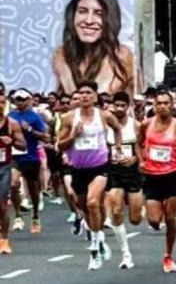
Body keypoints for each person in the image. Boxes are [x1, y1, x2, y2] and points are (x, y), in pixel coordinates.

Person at [57, 81, 124, 271]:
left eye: (88, 93)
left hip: (100, 166)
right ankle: (100, 238)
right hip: (78, 168)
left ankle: (94, 249)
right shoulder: (69, 118)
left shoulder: (104, 116)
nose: (85, 96)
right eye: (81, 93)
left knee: (93, 202)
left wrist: (117, 149)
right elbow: (59, 146)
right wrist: (73, 137)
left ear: (95, 96)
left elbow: (118, 128)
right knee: (82, 205)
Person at [137, 90, 176, 273]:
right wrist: (140, 160)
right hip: (152, 176)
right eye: (159, 103)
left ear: (172, 105)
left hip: (173, 174)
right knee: (154, 221)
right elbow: (138, 144)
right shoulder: (146, 124)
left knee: (170, 218)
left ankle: (168, 255)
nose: (162, 106)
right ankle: (153, 213)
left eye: (166, 103)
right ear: (154, 105)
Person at [52, 0, 135, 96]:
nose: (89, 21)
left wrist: (65, 75)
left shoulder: (121, 56)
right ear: (72, 15)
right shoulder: (63, 54)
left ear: (110, 18)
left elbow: (93, 105)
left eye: (99, 14)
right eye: (82, 11)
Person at [104, 91, 143, 269]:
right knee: (116, 211)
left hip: (133, 173)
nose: (119, 109)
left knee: (135, 219)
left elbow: (143, 150)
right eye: (116, 105)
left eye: (123, 106)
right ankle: (126, 254)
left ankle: (139, 208)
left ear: (128, 107)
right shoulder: (106, 125)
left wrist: (135, 159)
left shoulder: (136, 126)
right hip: (114, 173)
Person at [9, 89, 50, 234]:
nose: (20, 101)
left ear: (29, 100)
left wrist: (30, 129)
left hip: (31, 157)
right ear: (14, 100)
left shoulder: (34, 117)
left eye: (23, 99)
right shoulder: (10, 115)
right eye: (18, 99)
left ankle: (35, 216)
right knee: (13, 184)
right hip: (15, 156)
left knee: (33, 188)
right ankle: (18, 216)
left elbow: (46, 137)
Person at [0, 91, 27, 255]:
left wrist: (13, 141)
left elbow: (23, 146)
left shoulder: (11, 124)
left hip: (3, 167)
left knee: (2, 206)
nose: (0, 105)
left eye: (2, 102)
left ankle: (4, 240)